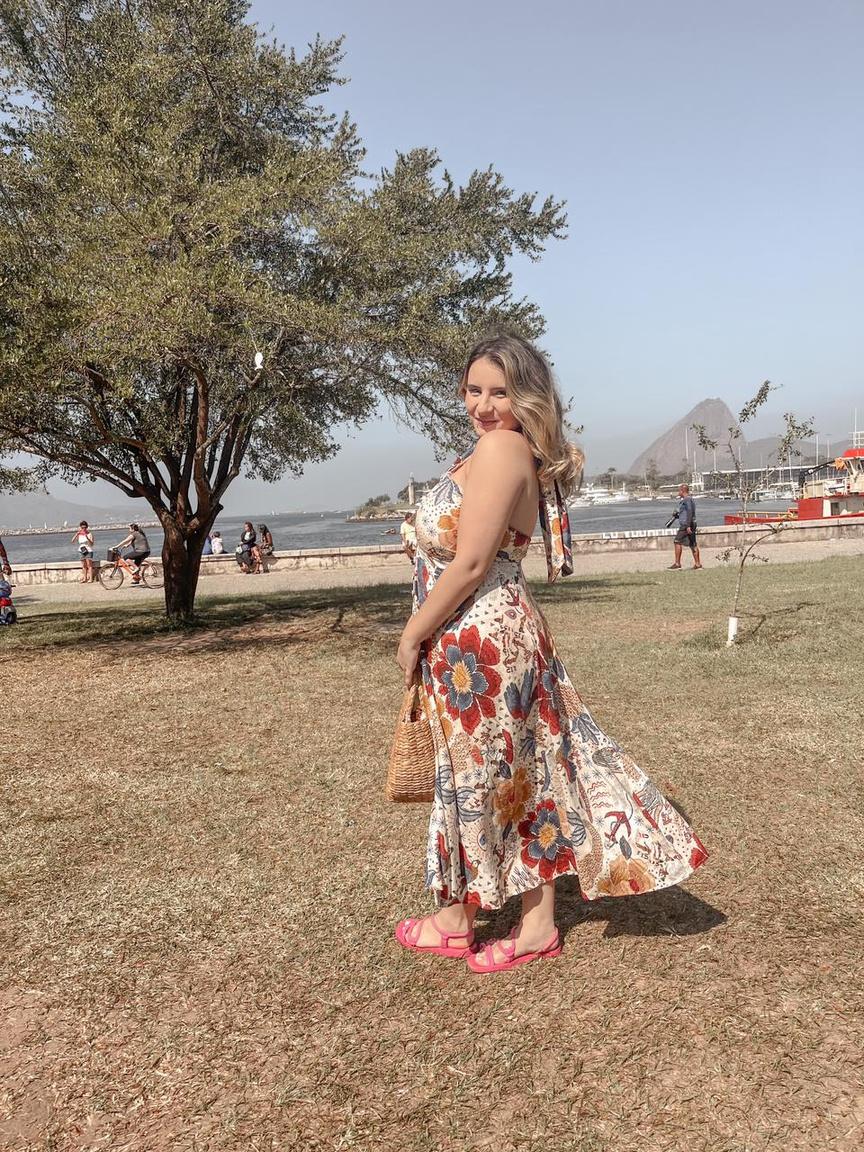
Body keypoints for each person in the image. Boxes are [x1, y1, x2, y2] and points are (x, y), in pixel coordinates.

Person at [394, 333, 708, 973]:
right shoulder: (495, 448)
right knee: (491, 774)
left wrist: (411, 633)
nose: (483, 405)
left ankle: (529, 925)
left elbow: (471, 562)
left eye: (500, 392)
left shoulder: (503, 447)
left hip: (482, 638)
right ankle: (460, 916)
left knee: (502, 777)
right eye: (473, 390)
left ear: (527, 398)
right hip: (474, 637)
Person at [668, 484, 702, 570]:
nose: (678, 492)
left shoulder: (687, 499)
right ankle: (698, 564)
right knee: (692, 543)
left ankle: (677, 564)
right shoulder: (689, 500)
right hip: (690, 523)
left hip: (686, 524)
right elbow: (686, 513)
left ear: (682, 491)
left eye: (679, 490)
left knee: (677, 541)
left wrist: (687, 526)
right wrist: (677, 516)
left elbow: (690, 512)